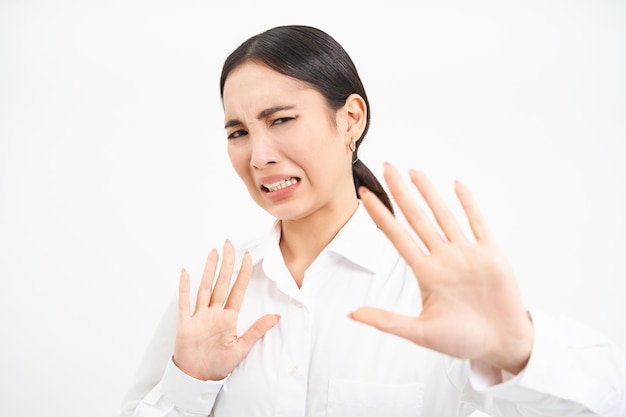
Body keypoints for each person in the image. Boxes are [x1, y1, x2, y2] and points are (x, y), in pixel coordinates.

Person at [119, 25, 626, 417]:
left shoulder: (429, 286)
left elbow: (602, 402)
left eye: (280, 120)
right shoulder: (221, 295)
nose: (258, 156)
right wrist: (191, 383)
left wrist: (519, 349)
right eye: (238, 132)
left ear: (350, 119)